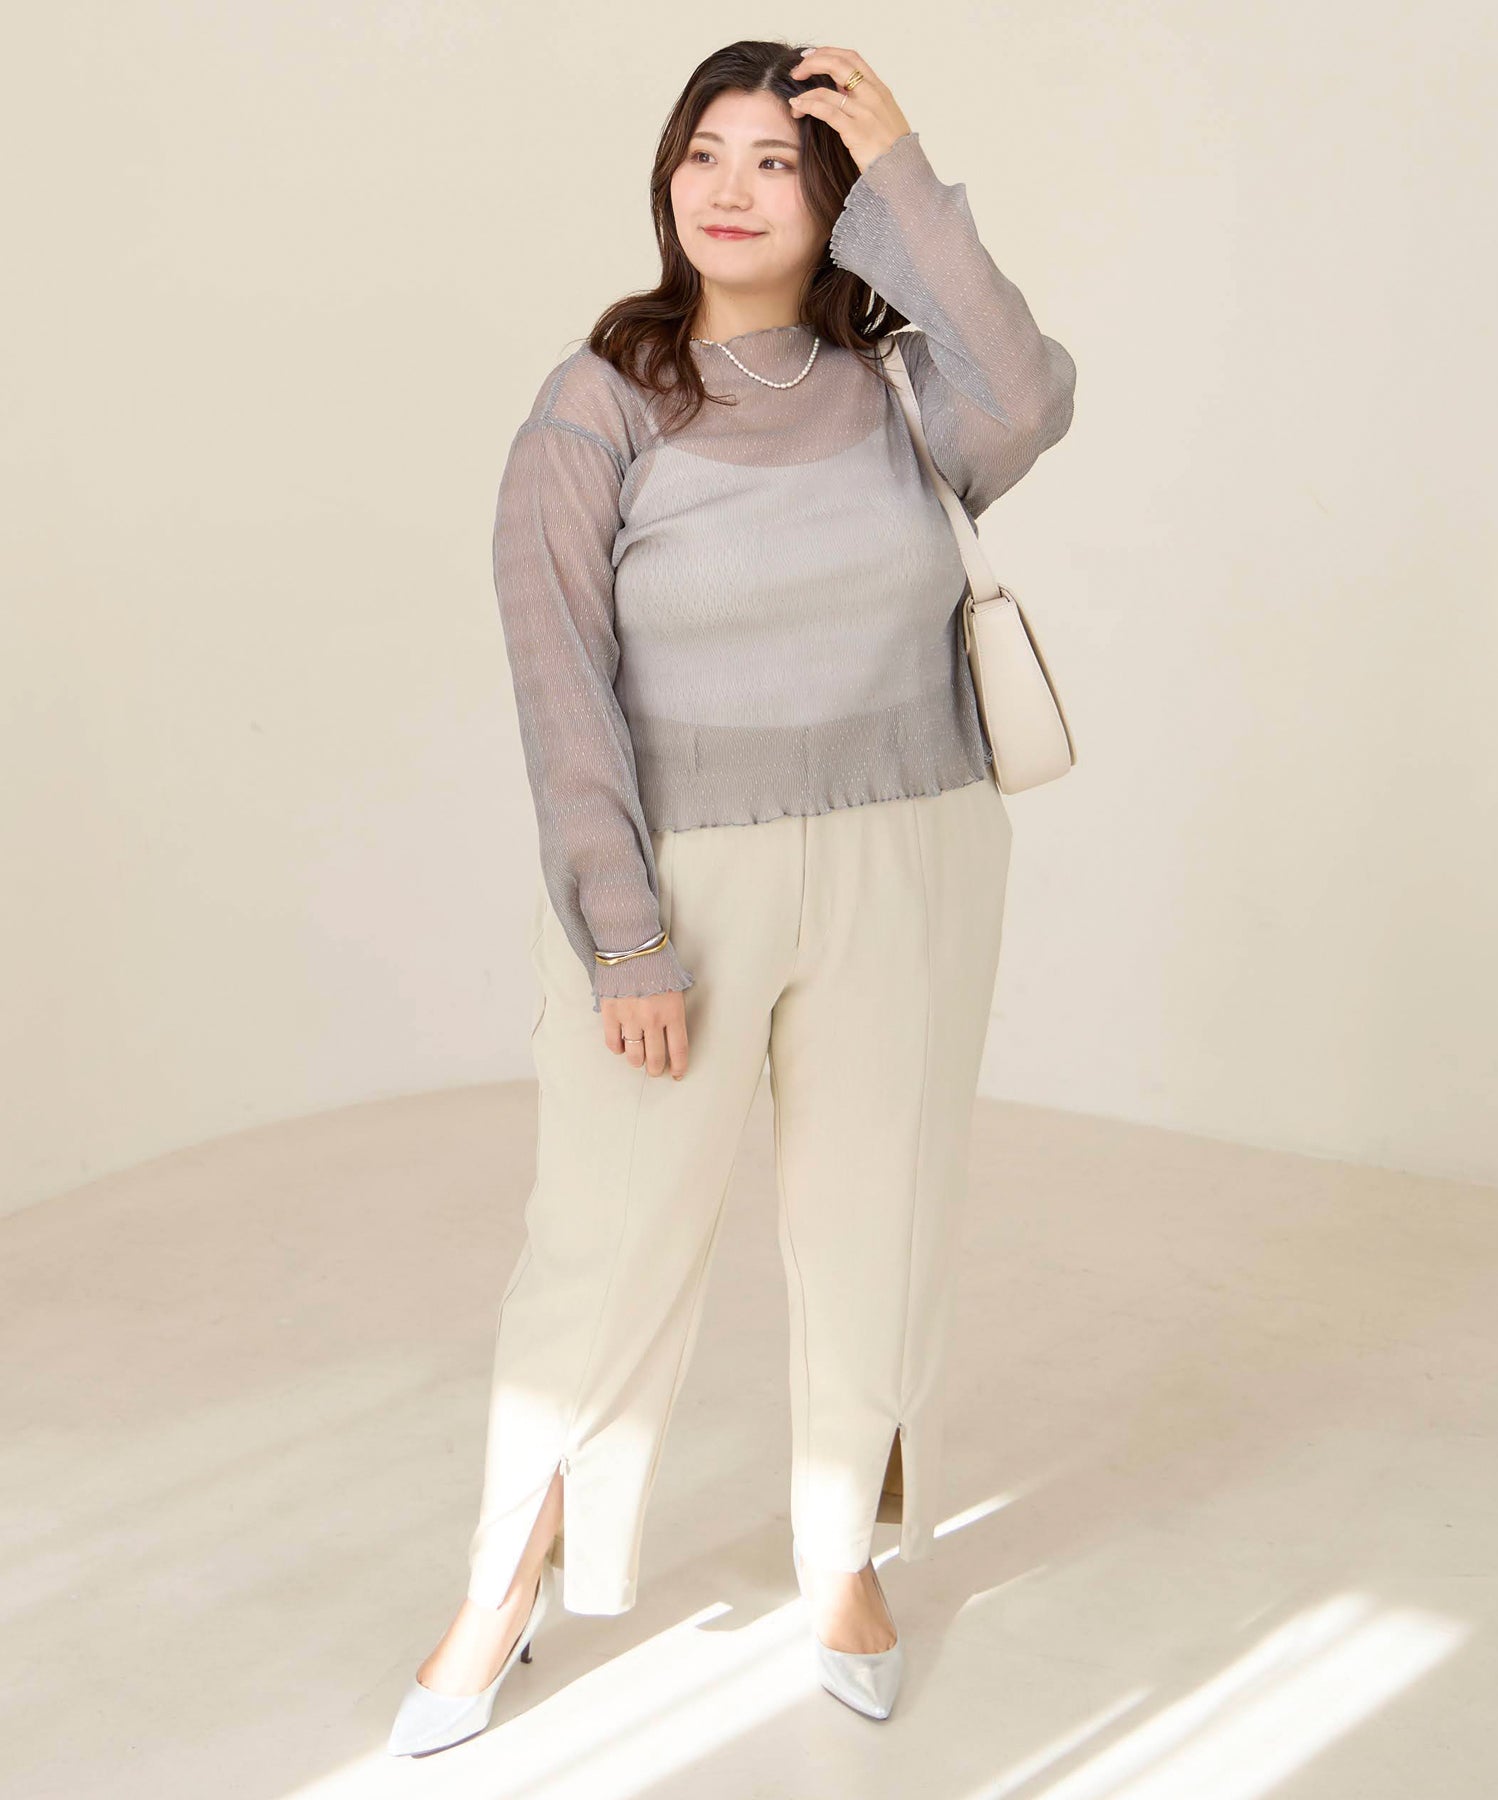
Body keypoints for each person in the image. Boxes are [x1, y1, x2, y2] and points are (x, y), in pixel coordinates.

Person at [389, 35, 1076, 1755]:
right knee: (605, 1243)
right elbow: (560, 686)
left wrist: (907, 165)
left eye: (780, 160)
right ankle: (507, 1578)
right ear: (665, 177)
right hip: (679, 890)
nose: (732, 187)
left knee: (877, 1217)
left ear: (835, 201)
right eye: (706, 151)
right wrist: (623, 932)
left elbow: (1031, 392)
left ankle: (842, 1559)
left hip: (911, 853)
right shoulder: (599, 401)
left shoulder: (904, 389)